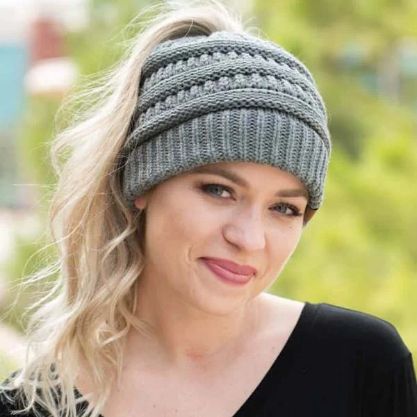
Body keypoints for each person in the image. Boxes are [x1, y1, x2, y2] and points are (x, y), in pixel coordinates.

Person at [1, 1, 416, 416]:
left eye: (284, 208)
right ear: (142, 181)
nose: (249, 239)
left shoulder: (361, 367)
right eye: (219, 190)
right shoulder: (32, 405)